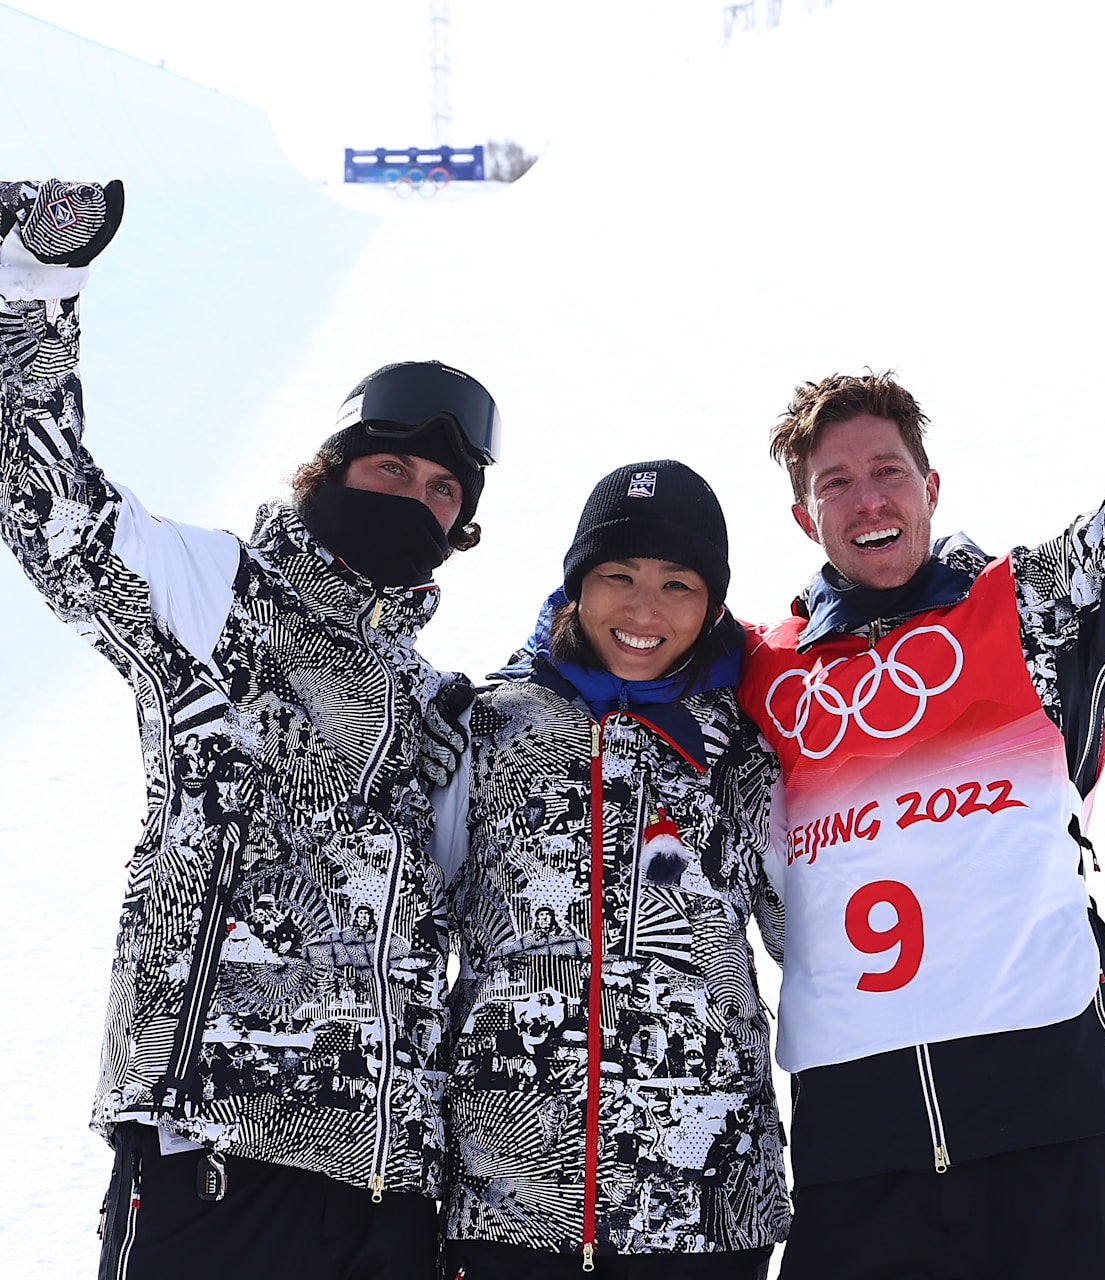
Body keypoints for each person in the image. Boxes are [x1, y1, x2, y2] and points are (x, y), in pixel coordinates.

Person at [735, 165, 1105, 1279]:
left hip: (1050, 1118)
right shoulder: (755, 677)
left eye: (888, 469)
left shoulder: (1030, 613)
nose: (868, 497)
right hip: (858, 1147)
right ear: (803, 513)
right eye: (837, 481)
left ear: (931, 484)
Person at [0, 178, 498, 1280]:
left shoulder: (440, 709)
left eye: (438, 490)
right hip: (214, 1161)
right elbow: (47, 503)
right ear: (328, 470)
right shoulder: (215, 594)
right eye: (387, 468)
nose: (411, 497)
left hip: (391, 1199)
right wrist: (32, 292)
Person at [429, 461, 790, 1278]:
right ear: (575, 589)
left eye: (677, 585)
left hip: (706, 1203)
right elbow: (413, 927)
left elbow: (808, 930)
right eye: (617, 576)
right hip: (506, 1198)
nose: (643, 609)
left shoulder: (749, 743)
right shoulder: (491, 727)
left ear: (713, 604)